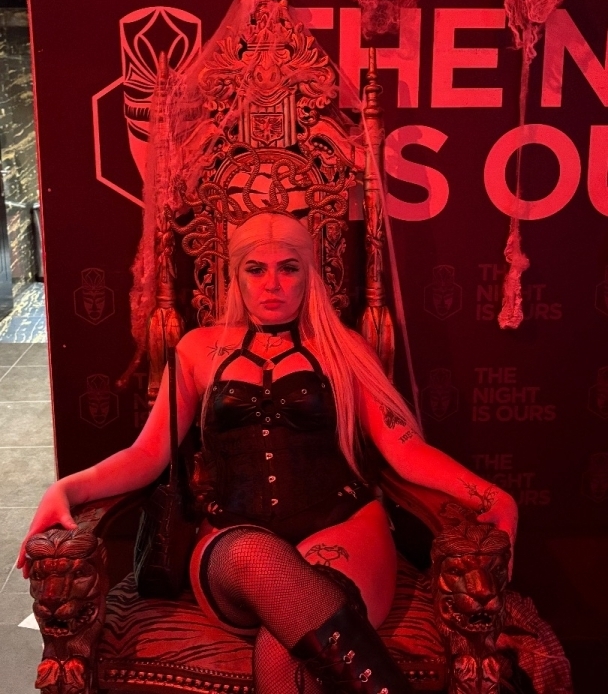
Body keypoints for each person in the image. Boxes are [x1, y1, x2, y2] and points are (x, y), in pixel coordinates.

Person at [19, 211, 518, 694]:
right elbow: (148, 453)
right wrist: (67, 488)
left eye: (289, 268)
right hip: (233, 538)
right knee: (255, 556)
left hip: (342, 523)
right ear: (236, 276)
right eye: (256, 269)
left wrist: (492, 495)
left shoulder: (344, 348)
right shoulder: (198, 349)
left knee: (285, 645)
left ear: (309, 275)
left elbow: (404, 447)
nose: (272, 284)